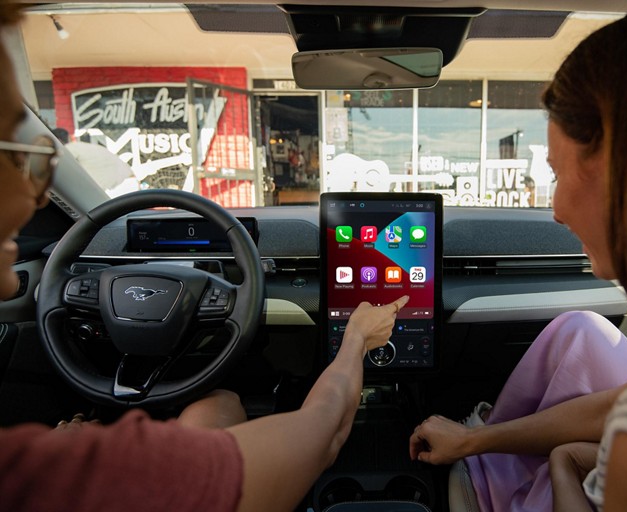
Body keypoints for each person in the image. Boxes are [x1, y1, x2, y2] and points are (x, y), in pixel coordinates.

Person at [0, 2, 410, 510]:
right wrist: (354, 342)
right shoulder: (74, 476)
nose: (36, 196)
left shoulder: (38, 467)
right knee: (219, 403)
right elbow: (320, 436)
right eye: (25, 158)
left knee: (213, 400)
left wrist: (68, 448)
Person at [410, 0, 627, 510]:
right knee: (580, 328)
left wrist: (565, 466)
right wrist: (476, 441)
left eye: (556, 175)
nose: (554, 210)